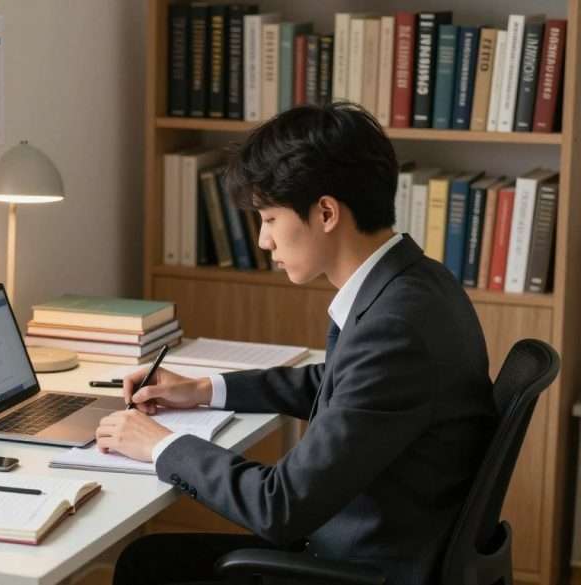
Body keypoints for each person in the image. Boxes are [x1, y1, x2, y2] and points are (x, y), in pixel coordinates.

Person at [98, 103, 496, 585]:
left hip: (361, 567)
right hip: (381, 541)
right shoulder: (416, 282)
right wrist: (204, 389)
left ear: (326, 212)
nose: (264, 241)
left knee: (146, 565)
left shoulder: (396, 327)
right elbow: (336, 383)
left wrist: (161, 446)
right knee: (153, 559)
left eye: (268, 217)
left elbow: (278, 504)